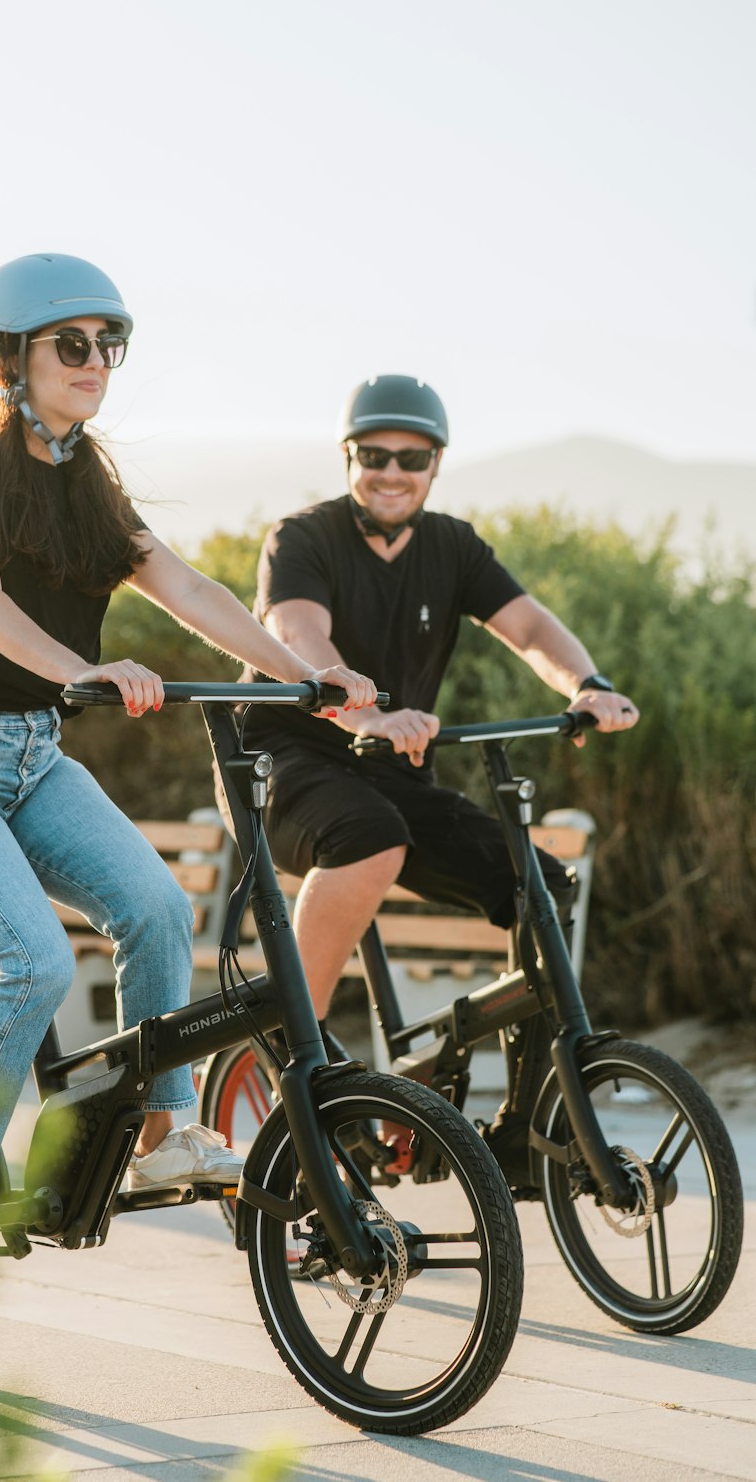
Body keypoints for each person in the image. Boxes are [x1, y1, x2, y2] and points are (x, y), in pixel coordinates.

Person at [0, 253, 376, 1320]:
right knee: (35, 958)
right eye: (71, 342)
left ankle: (160, 1132)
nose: (96, 361)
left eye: (110, 343)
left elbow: (187, 587)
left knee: (154, 907)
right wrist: (83, 669)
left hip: (32, 758)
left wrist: (306, 678)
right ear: (3, 355)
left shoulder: (92, 484)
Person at [238, 373, 640, 1183]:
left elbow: (525, 623)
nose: (392, 472)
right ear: (350, 456)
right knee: (369, 836)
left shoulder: (452, 545)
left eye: (411, 458)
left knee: (542, 885)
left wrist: (585, 686)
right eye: (375, 455)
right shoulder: (302, 537)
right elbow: (296, 631)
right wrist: (364, 712)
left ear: (436, 463)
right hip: (286, 758)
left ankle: (520, 1136)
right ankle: (303, 1055)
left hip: (389, 764)